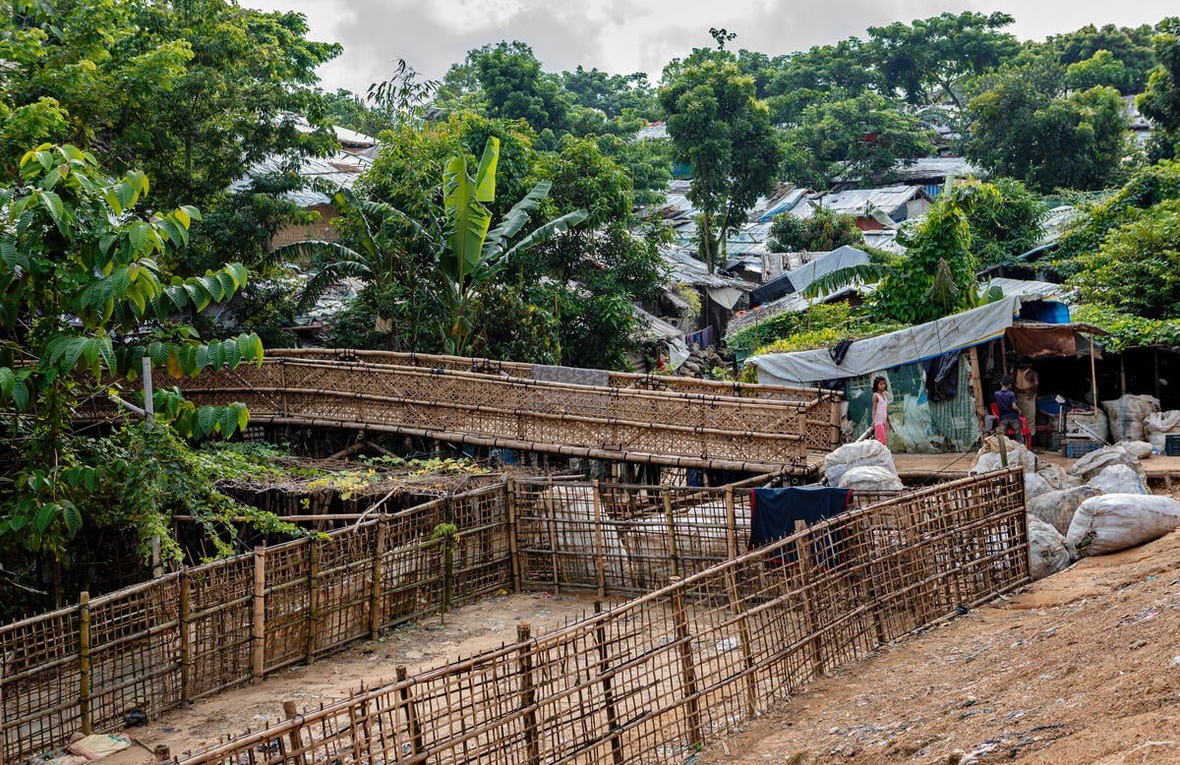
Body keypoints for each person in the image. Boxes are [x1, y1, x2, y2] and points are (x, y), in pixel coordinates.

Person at [1015, 356, 1039, 426]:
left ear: (1021, 364)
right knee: (1029, 418)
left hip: (1019, 396)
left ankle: (1023, 434)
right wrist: (1032, 392)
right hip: (1028, 396)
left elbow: (1012, 382)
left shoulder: (1017, 372)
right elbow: (1036, 383)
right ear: (1030, 364)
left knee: (1020, 417)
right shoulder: (1033, 373)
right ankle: (1030, 435)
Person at [871, 376, 889, 445]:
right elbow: (874, 408)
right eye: (880, 384)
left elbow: (885, 410)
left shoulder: (884, 395)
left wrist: (888, 422)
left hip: (884, 421)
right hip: (878, 422)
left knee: (883, 440)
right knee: (882, 441)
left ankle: (881, 455)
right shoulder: (876, 395)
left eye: (884, 384)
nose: (883, 386)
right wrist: (873, 420)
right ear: (876, 385)